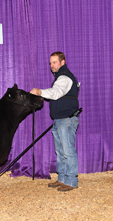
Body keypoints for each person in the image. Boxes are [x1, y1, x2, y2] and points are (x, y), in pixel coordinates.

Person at [30, 51, 80, 192]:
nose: (52, 65)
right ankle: (63, 178)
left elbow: (56, 92)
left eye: (54, 62)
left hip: (66, 119)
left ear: (62, 62)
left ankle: (71, 181)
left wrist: (40, 92)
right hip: (60, 119)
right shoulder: (60, 77)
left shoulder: (64, 77)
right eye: (50, 62)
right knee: (60, 151)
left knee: (67, 150)